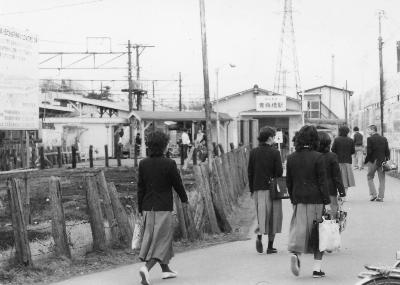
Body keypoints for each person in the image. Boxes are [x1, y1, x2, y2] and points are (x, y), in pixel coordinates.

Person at [137, 131, 189, 285]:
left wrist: (139, 208)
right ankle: (146, 268)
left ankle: (166, 270)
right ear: (164, 146)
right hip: (163, 208)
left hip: (147, 208)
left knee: (156, 239)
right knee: (163, 240)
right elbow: (177, 184)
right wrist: (184, 199)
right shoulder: (169, 163)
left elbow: (140, 188)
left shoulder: (143, 163)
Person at [286, 125, 330, 278]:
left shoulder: (291, 158)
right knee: (318, 234)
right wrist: (327, 202)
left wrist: (293, 199)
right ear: (314, 139)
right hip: (316, 200)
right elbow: (322, 182)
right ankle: (317, 269)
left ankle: (296, 255)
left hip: (299, 199)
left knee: (300, 230)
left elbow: (289, 182)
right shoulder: (318, 157)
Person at [248, 126, 283, 254]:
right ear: (270, 138)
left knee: (261, 215)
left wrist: (252, 189)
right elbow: (279, 172)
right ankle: (270, 246)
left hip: (257, 189)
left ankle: (259, 236)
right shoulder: (275, 152)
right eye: (273, 136)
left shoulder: (254, 152)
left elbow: (250, 172)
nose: (274, 139)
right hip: (272, 190)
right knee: (273, 216)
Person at [318, 132, 346, 219]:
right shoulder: (332, 156)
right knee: (331, 219)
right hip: (330, 190)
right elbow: (337, 176)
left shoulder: (313, 156)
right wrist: (342, 193)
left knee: (317, 219)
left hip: (315, 192)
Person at [364, 125, 390, 202]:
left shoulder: (370, 139)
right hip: (382, 161)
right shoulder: (384, 138)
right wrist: (386, 160)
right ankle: (380, 197)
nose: (368, 132)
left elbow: (369, 152)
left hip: (373, 161)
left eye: (368, 130)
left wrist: (365, 161)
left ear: (372, 130)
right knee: (382, 179)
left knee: (370, 177)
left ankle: (373, 195)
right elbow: (387, 151)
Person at [331, 126, 355, 195]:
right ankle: (344, 195)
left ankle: (339, 194)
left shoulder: (336, 139)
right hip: (347, 162)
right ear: (347, 132)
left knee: (338, 178)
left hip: (338, 161)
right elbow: (353, 151)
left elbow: (333, 149)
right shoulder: (351, 140)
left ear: (340, 131)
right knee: (346, 180)